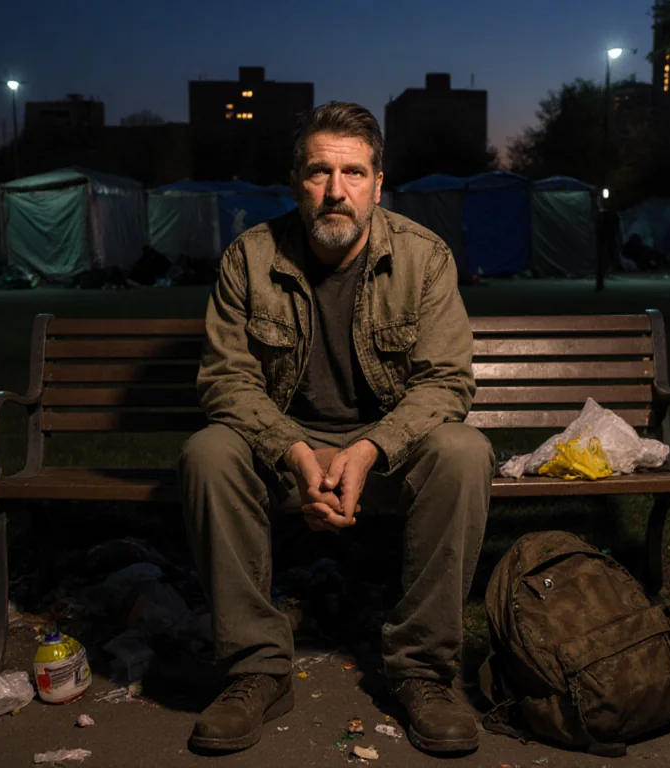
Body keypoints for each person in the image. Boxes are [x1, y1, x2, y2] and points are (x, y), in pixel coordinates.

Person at [179, 102, 494, 756]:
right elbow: (224, 381)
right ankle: (254, 669)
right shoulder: (250, 257)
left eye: (353, 173)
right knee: (209, 452)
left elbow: (446, 383)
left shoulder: (422, 258)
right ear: (295, 181)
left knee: (463, 451)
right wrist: (294, 452)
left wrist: (367, 449)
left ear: (379, 184)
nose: (335, 190)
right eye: (319, 172)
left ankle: (421, 672)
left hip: (382, 459)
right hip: (282, 455)